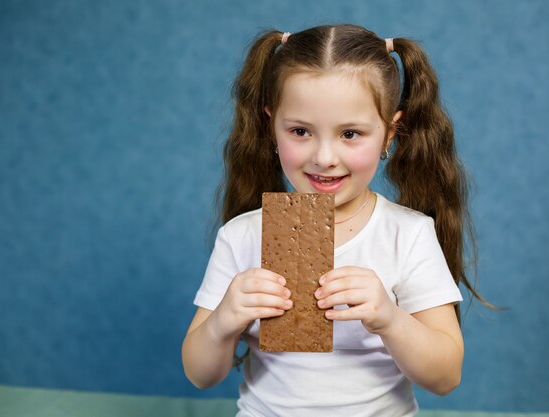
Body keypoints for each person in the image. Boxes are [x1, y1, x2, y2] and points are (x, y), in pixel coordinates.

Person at [182, 24, 489, 417]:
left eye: (350, 133)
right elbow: (199, 373)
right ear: (271, 126)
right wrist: (223, 320)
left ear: (389, 134)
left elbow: (446, 377)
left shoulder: (407, 234)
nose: (324, 157)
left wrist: (389, 319)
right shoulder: (243, 235)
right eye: (300, 131)